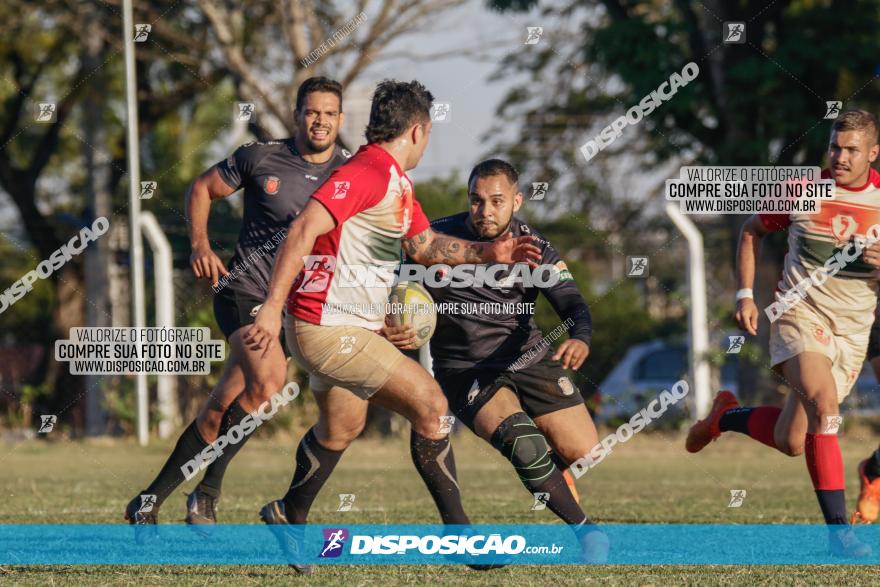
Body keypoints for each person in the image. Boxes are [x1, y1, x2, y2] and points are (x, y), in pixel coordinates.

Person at [244, 79, 542, 574]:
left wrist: (491, 253)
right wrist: (272, 306)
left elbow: (426, 248)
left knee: (342, 427)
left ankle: (288, 514)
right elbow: (302, 230)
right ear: (419, 130)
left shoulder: (395, 182)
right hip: (323, 327)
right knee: (432, 406)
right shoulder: (369, 172)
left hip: (345, 326)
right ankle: (462, 539)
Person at [125, 77, 350, 528]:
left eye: (329, 112)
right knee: (268, 384)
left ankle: (146, 502)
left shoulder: (350, 172)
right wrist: (199, 245)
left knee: (217, 414)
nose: (320, 120)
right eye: (311, 111)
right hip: (243, 289)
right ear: (297, 115)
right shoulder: (260, 156)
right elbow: (202, 189)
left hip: (295, 308)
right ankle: (206, 494)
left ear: (340, 119)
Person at [687, 110, 880, 557]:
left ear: (873, 153)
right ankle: (839, 536)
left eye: (851, 150)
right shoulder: (803, 189)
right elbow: (751, 231)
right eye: (835, 146)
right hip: (798, 313)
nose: (840, 156)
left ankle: (724, 417)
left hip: (854, 330)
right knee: (825, 406)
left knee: (793, 440)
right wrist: (744, 295)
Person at [422, 158, 601, 535]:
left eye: (496, 201)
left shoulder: (535, 247)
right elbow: (390, 281)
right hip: (466, 369)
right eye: (476, 200)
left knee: (586, 453)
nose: (484, 211)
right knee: (525, 445)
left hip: (529, 358)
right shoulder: (436, 240)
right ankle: (588, 532)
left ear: (517, 201)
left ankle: (552, 477)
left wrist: (579, 337)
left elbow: (572, 303)